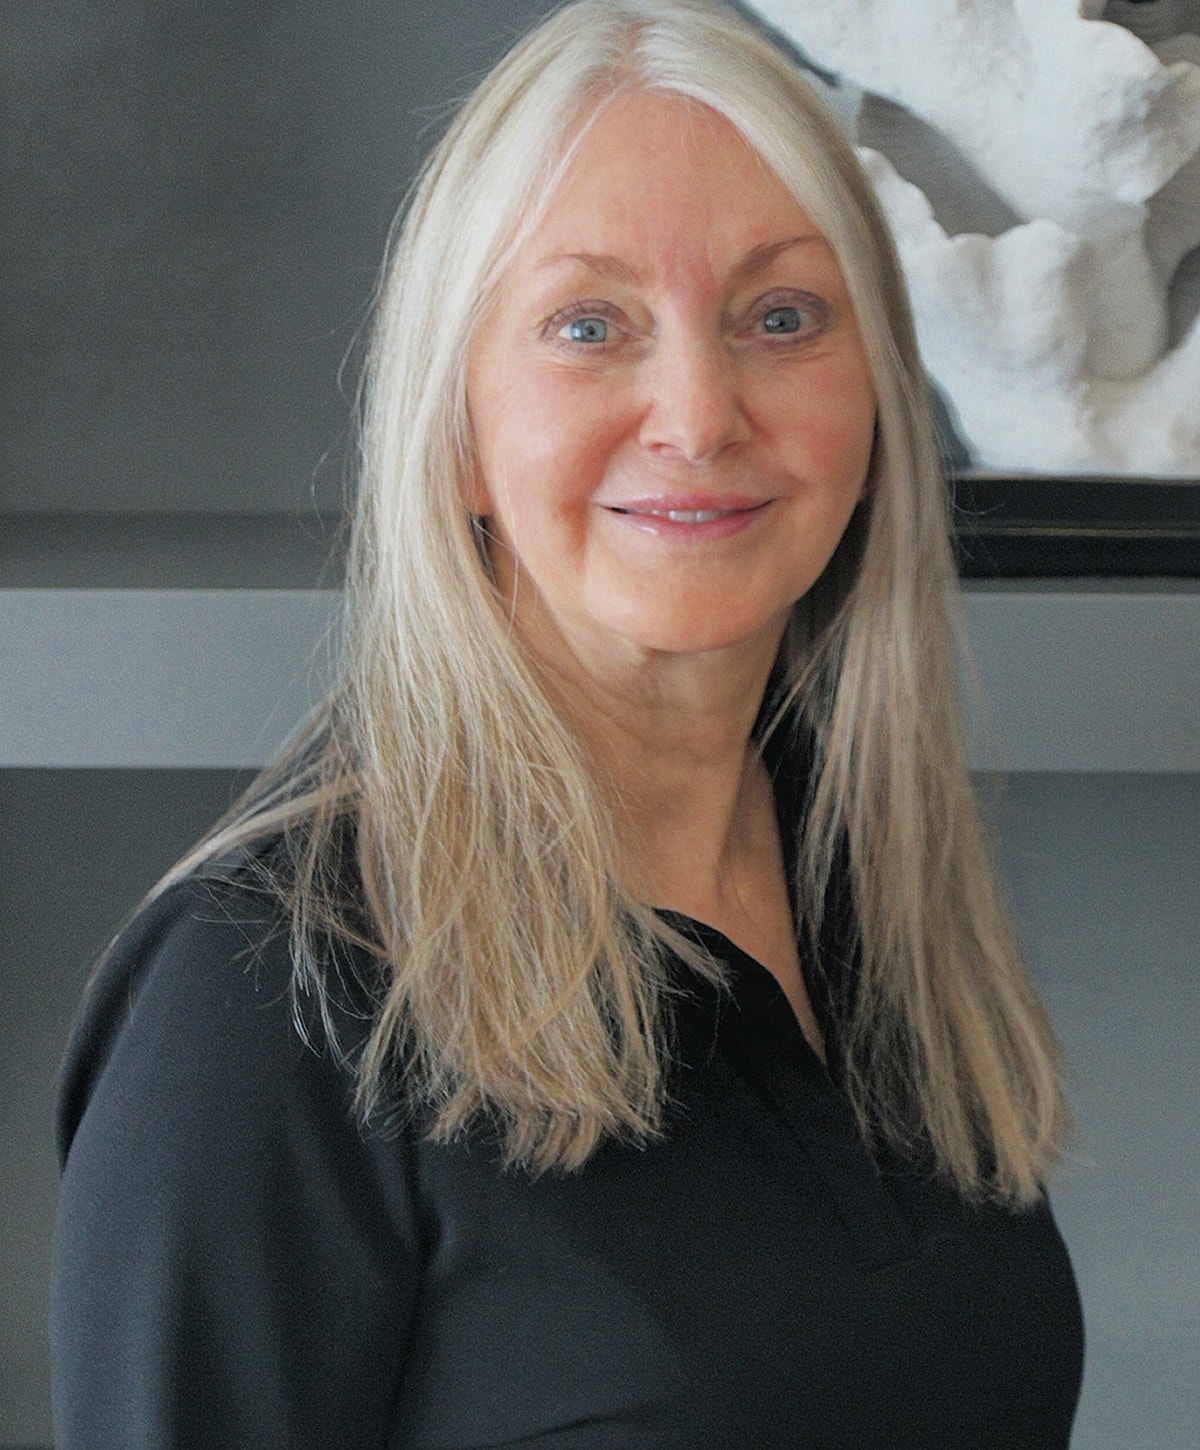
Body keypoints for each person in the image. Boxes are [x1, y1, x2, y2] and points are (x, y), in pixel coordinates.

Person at [50, 1, 1084, 1445]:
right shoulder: (266, 995)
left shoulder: (861, 880)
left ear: (878, 404)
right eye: (589, 325)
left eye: (781, 316)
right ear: (460, 429)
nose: (699, 411)